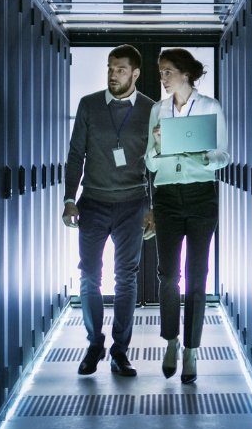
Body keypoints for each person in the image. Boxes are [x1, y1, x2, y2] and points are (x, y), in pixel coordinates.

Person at [63, 45, 157, 376]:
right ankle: (93, 344)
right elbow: (76, 155)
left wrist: (154, 209)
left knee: (126, 279)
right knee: (89, 274)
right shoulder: (89, 105)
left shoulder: (150, 109)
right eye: (109, 68)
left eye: (120, 70)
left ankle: (120, 350)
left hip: (133, 204)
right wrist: (68, 199)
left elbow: (157, 163)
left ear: (135, 74)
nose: (112, 74)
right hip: (94, 201)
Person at [145, 49, 229, 382]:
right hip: (166, 196)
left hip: (200, 196)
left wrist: (199, 155)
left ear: (185, 75)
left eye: (167, 72)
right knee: (168, 275)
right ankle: (171, 341)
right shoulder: (158, 110)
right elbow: (150, 164)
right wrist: (157, 146)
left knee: (196, 277)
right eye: (161, 72)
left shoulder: (209, 107)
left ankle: (191, 352)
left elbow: (223, 156)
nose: (163, 79)